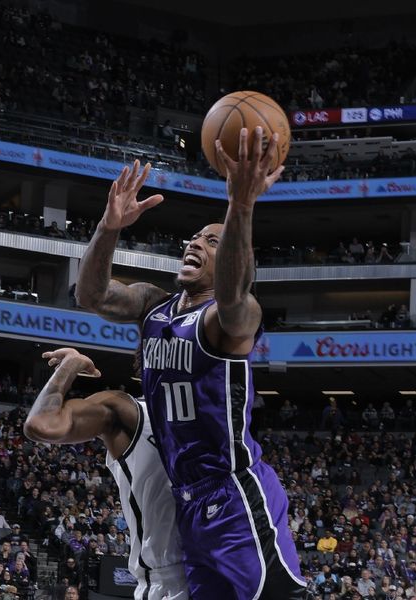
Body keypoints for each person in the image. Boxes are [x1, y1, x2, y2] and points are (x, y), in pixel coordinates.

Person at [75, 128, 306, 599]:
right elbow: (90, 295)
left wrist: (240, 206)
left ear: (235, 261)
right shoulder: (153, 306)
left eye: (213, 241)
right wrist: (109, 227)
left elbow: (236, 294)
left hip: (235, 492)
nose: (195, 243)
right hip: (187, 498)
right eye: (194, 237)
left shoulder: (230, 319)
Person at [23, 347, 188, 600]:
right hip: (170, 581)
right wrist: (70, 366)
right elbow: (40, 424)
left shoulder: (214, 422)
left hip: (217, 570)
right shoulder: (129, 411)